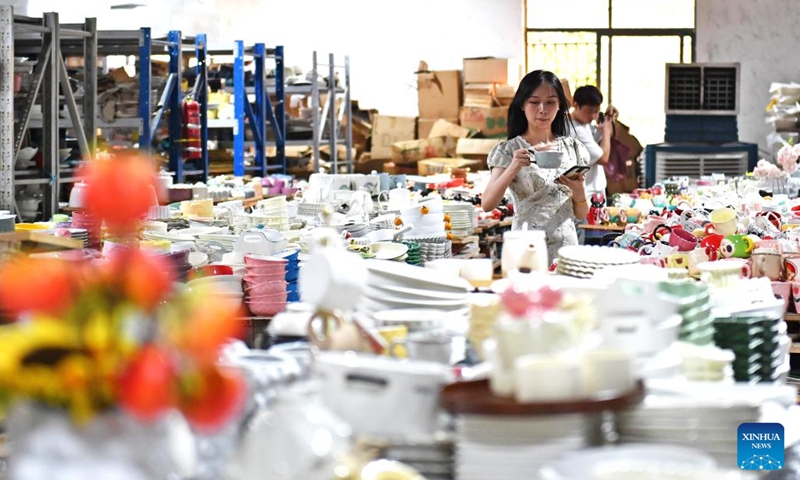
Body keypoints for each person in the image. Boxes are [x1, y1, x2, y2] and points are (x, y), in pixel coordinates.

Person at [481, 70, 590, 265]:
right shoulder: (508, 151)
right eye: (534, 102)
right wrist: (513, 167)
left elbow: (581, 214)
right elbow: (487, 204)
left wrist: (579, 190)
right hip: (525, 246)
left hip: (566, 248)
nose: (543, 109)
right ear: (522, 104)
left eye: (550, 102)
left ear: (560, 106)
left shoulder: (574, 148)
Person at [569, 85, 618, 243]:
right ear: (575, 105)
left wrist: (608, 121)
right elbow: (603, 157)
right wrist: (605, 130)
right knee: (583, 243)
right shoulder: (575, 130)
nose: (594, 116)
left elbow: (599, 140)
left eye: (597, 111)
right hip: (584, 197)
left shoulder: (584, 125)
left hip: (593, 195)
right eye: (590, 111)